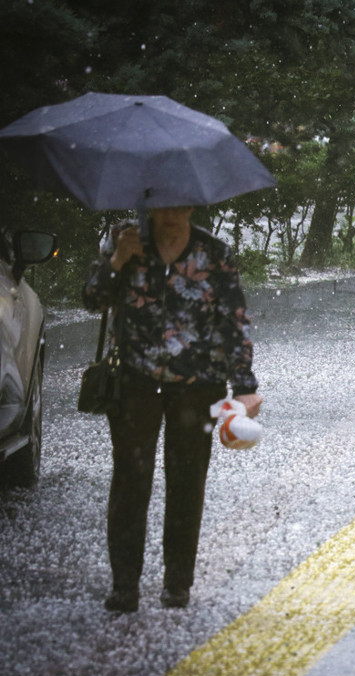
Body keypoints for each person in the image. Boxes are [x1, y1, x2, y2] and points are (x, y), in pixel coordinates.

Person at [82, 206, 262, 613]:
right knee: (130, 480)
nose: (171, 212)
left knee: (187, 482)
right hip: (134, 382)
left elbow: (233, 320)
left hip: (198, 386)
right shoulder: (124, 241)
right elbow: (92, 299)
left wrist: (245, 385)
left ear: (194, 204)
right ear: (149, 202)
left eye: (180, 203)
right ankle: (125, 585)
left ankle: (177, 584)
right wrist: (116, 262)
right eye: (162, 202)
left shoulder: (213, 252)